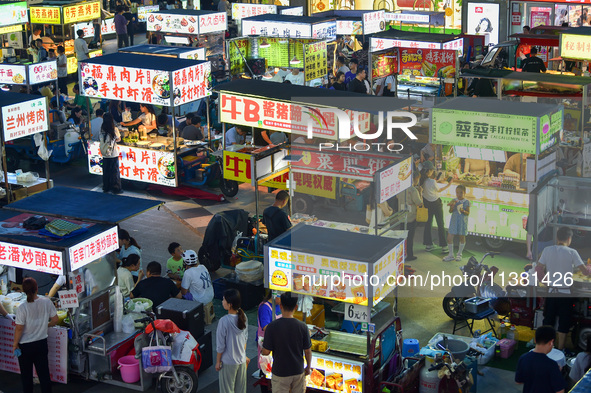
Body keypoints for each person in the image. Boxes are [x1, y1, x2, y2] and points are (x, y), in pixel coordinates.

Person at [536, 227, 591, 350]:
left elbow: (538, 269)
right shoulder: (572, 252)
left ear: (557, 238)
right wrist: (589, 266)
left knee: (548, 320)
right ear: (569, 238)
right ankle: (560, 349)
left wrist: (546, 282)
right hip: (565, 293)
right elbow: (585, 272)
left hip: (551, 292)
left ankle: (546, 347)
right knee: (564, 323)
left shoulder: (547, 250)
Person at [13, 277, 58, 393]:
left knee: (26, 377)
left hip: (25, 346)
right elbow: (55, 319)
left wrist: (15, 344)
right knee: (44, 375)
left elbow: (19, 328)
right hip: (41, 343)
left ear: (23, 291)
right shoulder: (46, 302)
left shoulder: (22, 308)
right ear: (37, 288)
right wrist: (45, 326)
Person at [261, 292, 312, 393]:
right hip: (298, 371)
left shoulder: (272, 327)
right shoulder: (303, 327)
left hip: (280, 372)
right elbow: (308, 352)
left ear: (281, 306)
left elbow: (265, 352)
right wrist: (308, 367)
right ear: (296, 307)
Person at [216, 289, 249, 393]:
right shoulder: (244, 317)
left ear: (229, 304)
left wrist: (218, 362)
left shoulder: (224, 321)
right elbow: (244, 339)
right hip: (241, 360)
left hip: (228, 362)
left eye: (223, 299)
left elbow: (221, 346)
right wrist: (243, 354)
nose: (222, 302)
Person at [515, 326, 565, 393]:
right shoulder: (552, 365)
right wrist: (556, 372)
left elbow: (518, 381)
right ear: (551, 342)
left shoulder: (523, 358)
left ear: (535, 340)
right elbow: (560, 391)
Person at [421, 161, 452, 253]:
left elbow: (429, 186)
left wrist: (435, 181)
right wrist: (449, 185)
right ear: (429, 171)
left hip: (427, 204)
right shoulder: (432, 181)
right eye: (431, 170)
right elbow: (439, 190)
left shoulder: (422, 180)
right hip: (436, 204)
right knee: (440, 224)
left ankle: (428, 245)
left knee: (428, 224)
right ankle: (444, 246)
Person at [181, 250, 215, 323]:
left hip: (200, 299)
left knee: (181, 295)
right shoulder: (203, 266)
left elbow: (184, 292)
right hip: (210, 295)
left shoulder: (188, 272)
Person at [442, 185, 470, 262]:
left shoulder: (467, 202)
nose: (459, 194)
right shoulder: (454, 200)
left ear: (464, 193)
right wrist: (452, 206)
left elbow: (467, 213)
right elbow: (450, 211)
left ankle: (459, 254)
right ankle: (451, 254)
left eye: (461, 192)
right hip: (454, 221)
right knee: (449, 237)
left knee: (462, 237)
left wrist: (463, 211)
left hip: (462, 222)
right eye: (457, 192)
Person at [99, 113, 122, 194]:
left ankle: (106, 187)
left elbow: (101, 139)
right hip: (113, 153)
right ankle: (115, 188)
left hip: (105, 153)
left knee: (106, 171)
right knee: (114, 172)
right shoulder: (114, 129)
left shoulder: (102, 129)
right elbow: (119, 139)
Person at [403, 172, 423, 261]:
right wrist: (420, 192)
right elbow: (419, 203)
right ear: (415, 179)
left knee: (402, 236)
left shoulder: (401, 188)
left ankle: (402, 254)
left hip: (401, 216)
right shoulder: (413, 190)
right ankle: (409, 254)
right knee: (410, 237)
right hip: (411, 216)